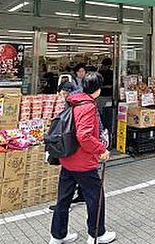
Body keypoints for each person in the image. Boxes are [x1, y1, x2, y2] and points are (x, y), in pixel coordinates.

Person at [50, 72, 116, 244]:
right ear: (98, 89)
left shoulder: (73, 101)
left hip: (68, 159)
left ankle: (58, 235)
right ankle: (97, 234)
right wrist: (101, 149)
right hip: (83, 162)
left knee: (63, 199)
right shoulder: (88, 106)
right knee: (95, 197)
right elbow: (84, 136)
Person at [49, 81, 85, 212]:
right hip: (78, 149)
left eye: (62, 93)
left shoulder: (73, 104)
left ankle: (64, 206)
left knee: (70, 178)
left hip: (72, 147)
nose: (60, 95)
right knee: (82, 177)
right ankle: (80, 197)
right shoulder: (81, 102)